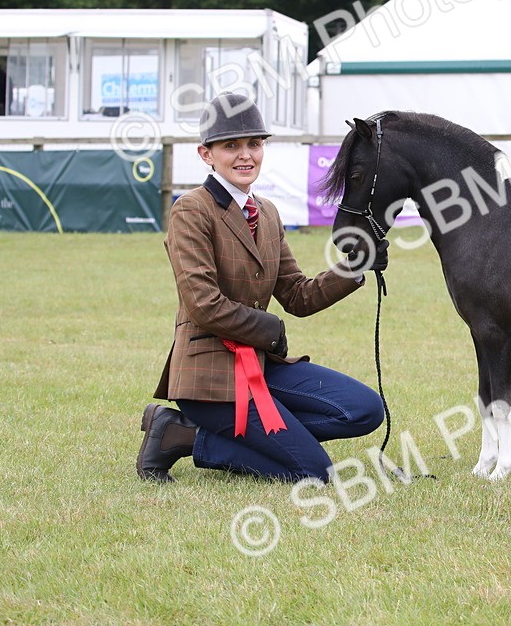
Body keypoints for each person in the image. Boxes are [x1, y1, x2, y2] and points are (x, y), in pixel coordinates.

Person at [136, 92, 388, 483]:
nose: (245, 155)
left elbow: (297, 296)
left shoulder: (267, 213)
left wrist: (356, 266)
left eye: (254, 144)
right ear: (206, 154)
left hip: (261, 366)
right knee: (314, 472)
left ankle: (220, 436)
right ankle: (184, 435)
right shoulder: (190, 209)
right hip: (209, 377)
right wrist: (271, 330)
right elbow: (203, 304)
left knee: (365, 409)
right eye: (231, 146)